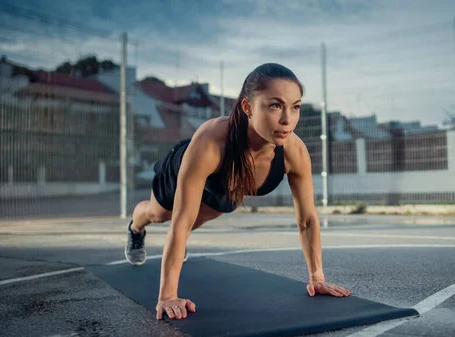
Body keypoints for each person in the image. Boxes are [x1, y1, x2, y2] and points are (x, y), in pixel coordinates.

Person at [125, 63, 351, 320]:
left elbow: (307, 219)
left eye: (295, 106)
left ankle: (174, 244)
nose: (288, 119)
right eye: (275, 105)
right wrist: (167, 296)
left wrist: (317, 278)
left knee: (203, 217)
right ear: (248, 107)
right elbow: (180, 220)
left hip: (227, 188)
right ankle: (135, 228)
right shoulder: (211, 143)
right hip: (182, 170)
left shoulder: (294, 152)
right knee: (161, 214)